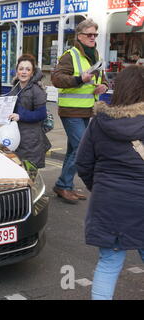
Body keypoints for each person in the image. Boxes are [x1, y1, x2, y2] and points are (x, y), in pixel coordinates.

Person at [75, 65, 144, 300]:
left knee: (109, 264)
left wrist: (100, 187)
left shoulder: (98, 122)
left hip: (107, 203)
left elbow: (83, 163)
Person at [51, 19, 109, 204]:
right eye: (89, 35)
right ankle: (63, 185)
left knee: (73, 149)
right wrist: (79, 79)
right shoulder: (70, 55)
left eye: (95, 35)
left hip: (87, 110)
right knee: (81, 148)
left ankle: (65, 185)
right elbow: (56, 79)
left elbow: (103, 78)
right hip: (71, 111)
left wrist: (104, 87)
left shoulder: (96, 55)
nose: (93, 38)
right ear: (80, 36)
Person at [7, 54, 50, 169]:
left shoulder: (37, 90)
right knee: (17, 172)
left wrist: (21, 116)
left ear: (32, 72)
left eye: (28, 69)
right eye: (21, 69)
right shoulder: (15, 88)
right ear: (17, 71)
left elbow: (41, 114)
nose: (24, 72)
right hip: (16, 136)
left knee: (30, 175)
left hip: (31, 140)